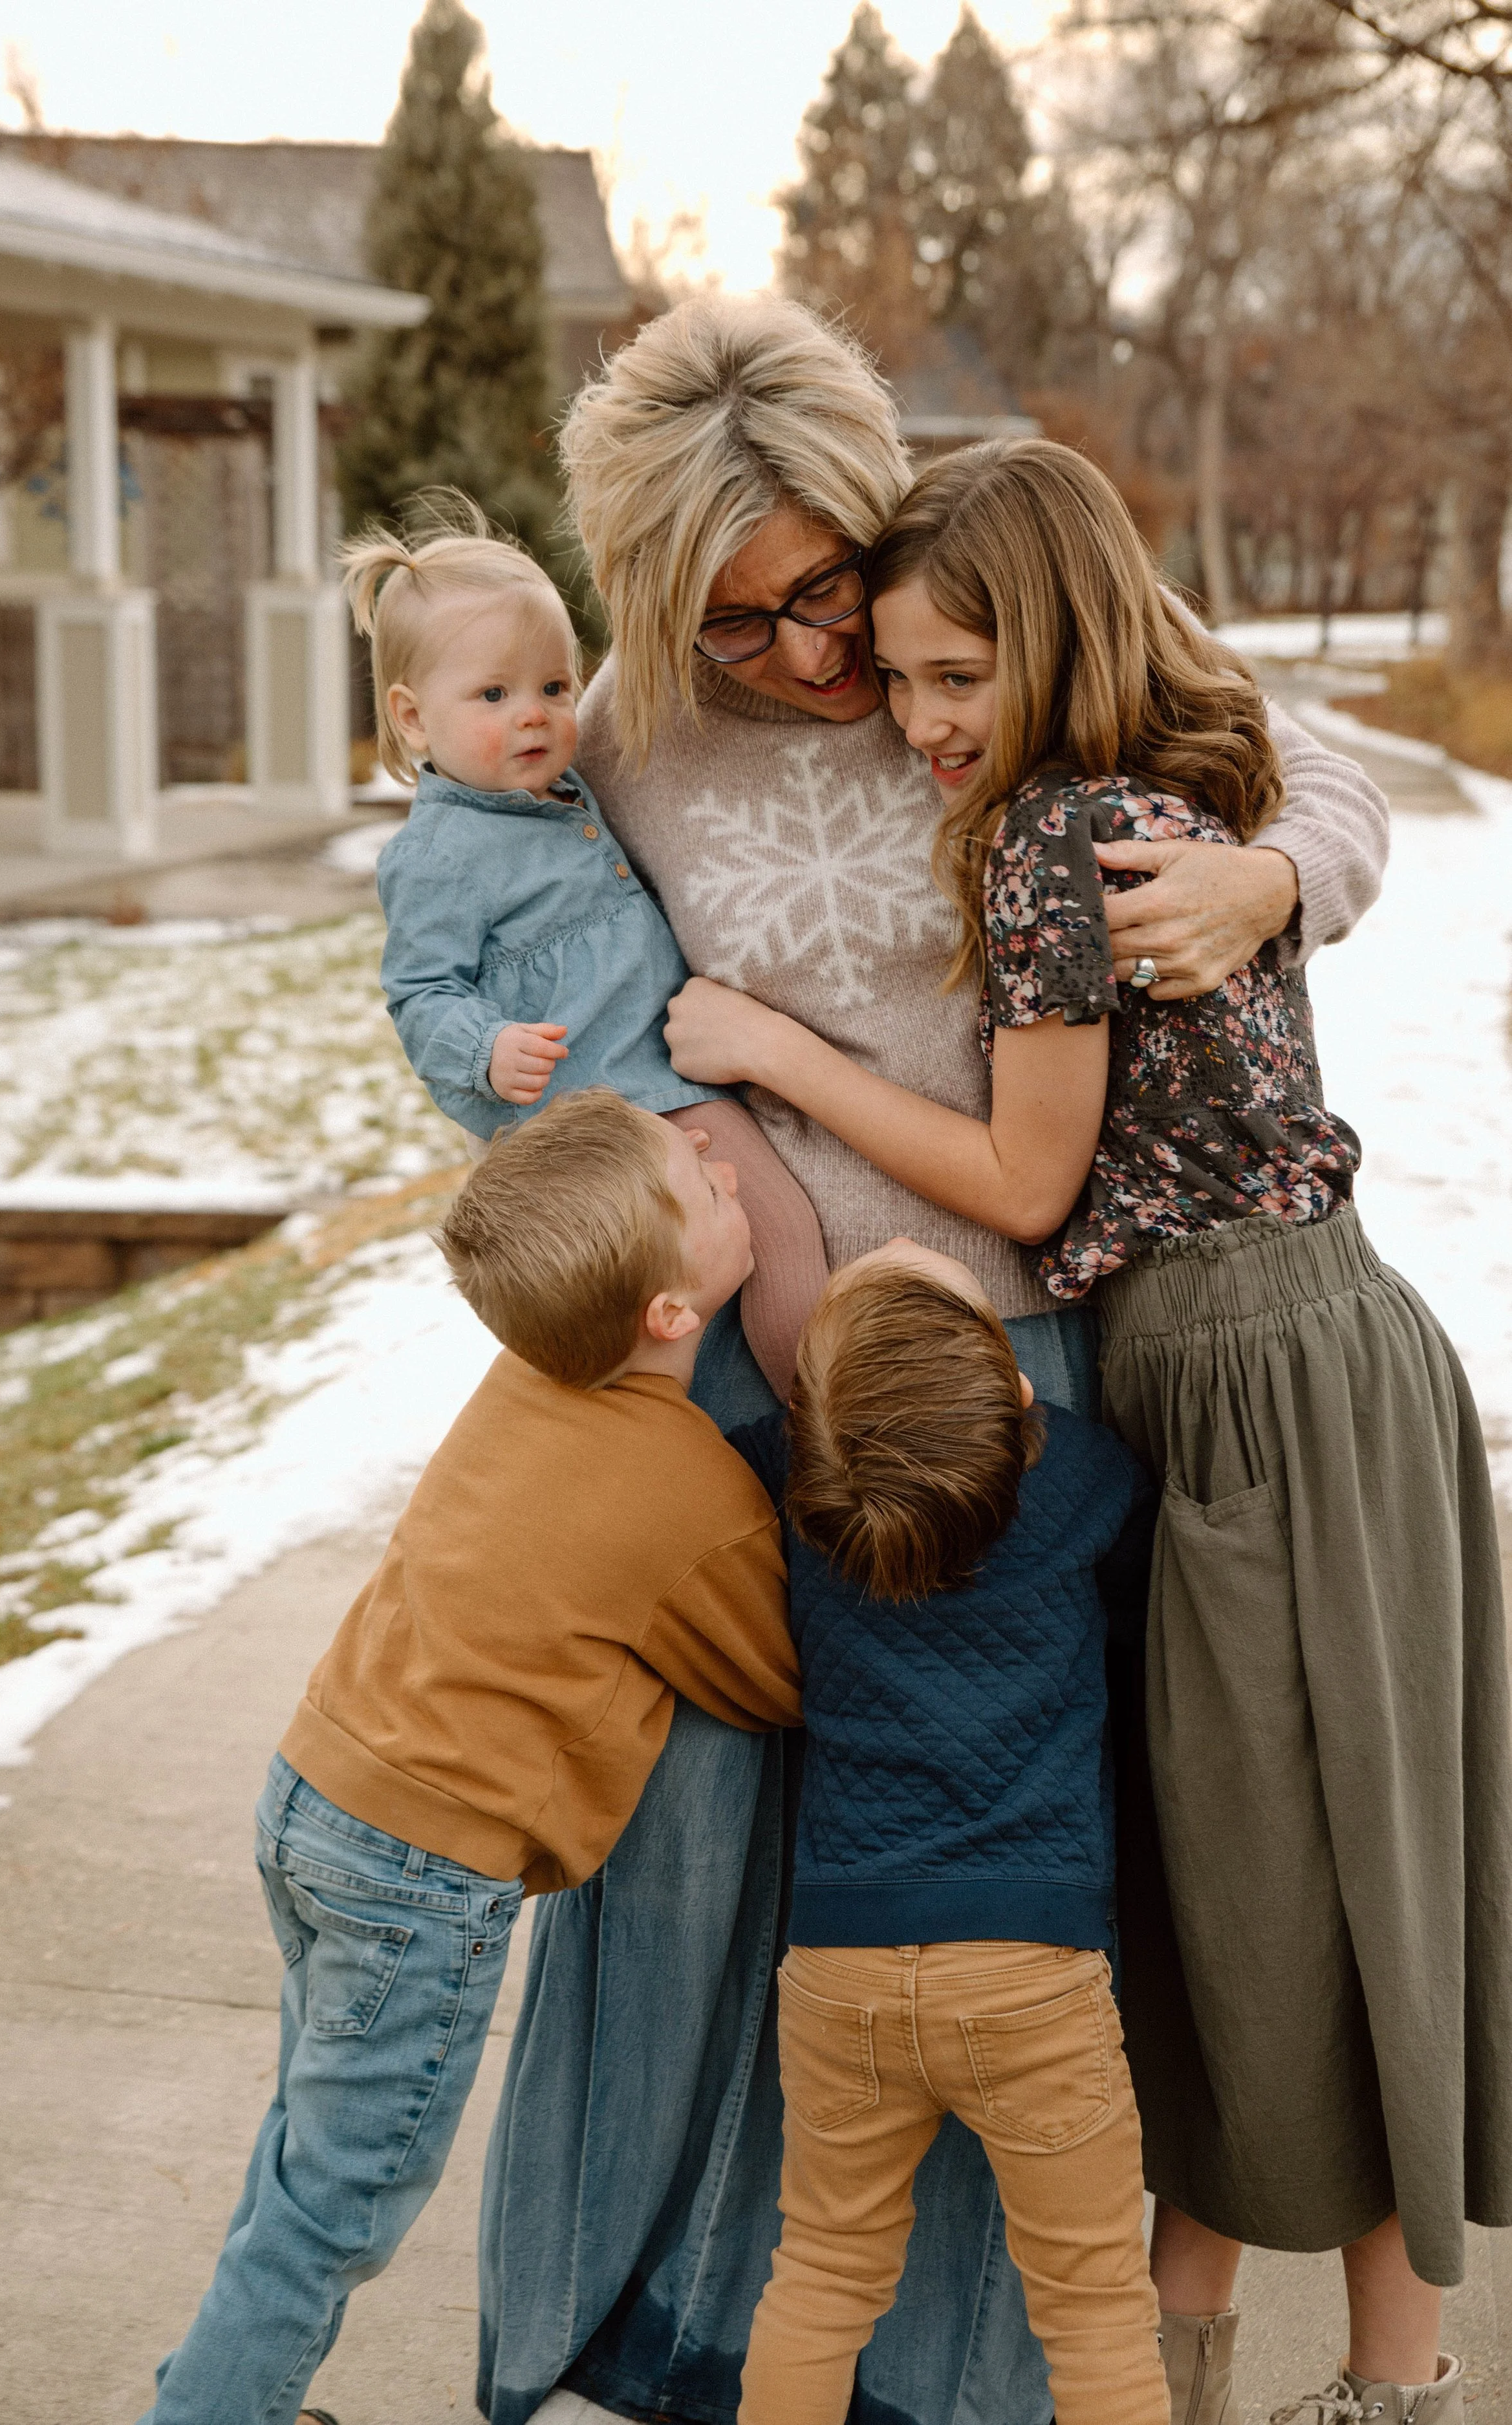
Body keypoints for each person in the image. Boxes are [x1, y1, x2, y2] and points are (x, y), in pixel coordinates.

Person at [478, 293, 1393, 2425]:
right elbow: (496, 928)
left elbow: (1303, 762)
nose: (812, 657)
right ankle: (664, 2329)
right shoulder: (626, 729)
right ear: (655, 601)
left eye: (828, 591)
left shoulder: (967, 621)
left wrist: (1263, 879)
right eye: (746, 625)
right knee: (713, 1857)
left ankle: (970, 2379)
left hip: (1036, 1360)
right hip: (763, 1383)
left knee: (1018, 1875)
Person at [663, 436, 1512, 2425]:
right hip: (1297, 1353)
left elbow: (1028, 1183)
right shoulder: (1157, 779)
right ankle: (1207, 2365)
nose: (916, 715)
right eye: (900, 672)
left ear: (1053, 643)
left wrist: (771, 1048)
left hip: (1259, 1386)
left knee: (1306, 1881)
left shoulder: (1059, 841)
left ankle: (1392, 2386)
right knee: (1247, 1885)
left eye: (959, 672)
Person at [139, 1090, 803, 2425]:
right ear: (669, 1318)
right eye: (700, 1182)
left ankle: (226, 2397)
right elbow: (776, 1683)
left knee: (299, 2163)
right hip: (417, 1876)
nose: (724, 1163)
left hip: (314, 1794)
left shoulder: (527, 1371)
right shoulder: (687, 1490)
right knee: (331, 2219)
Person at [729, 1236, 1166, 2425]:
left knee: (820, 2270)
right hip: (1033, 1971)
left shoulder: (791, 1487)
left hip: (841, 1971)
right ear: (1018, 1390)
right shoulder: (1077, 1476)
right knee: (1094, 2306)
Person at [343, 499, 826, 1401]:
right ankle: (837, 1432)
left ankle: (767, 1430)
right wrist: (485, 1050)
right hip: (616, 1112)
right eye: (494, 695)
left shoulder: (559, 789)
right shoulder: (439, 856)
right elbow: (418, 992)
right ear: (412, 720)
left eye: (555, 688)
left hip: (658, 1084)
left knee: (708, 1289)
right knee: (775, 1238)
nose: (533, 715)